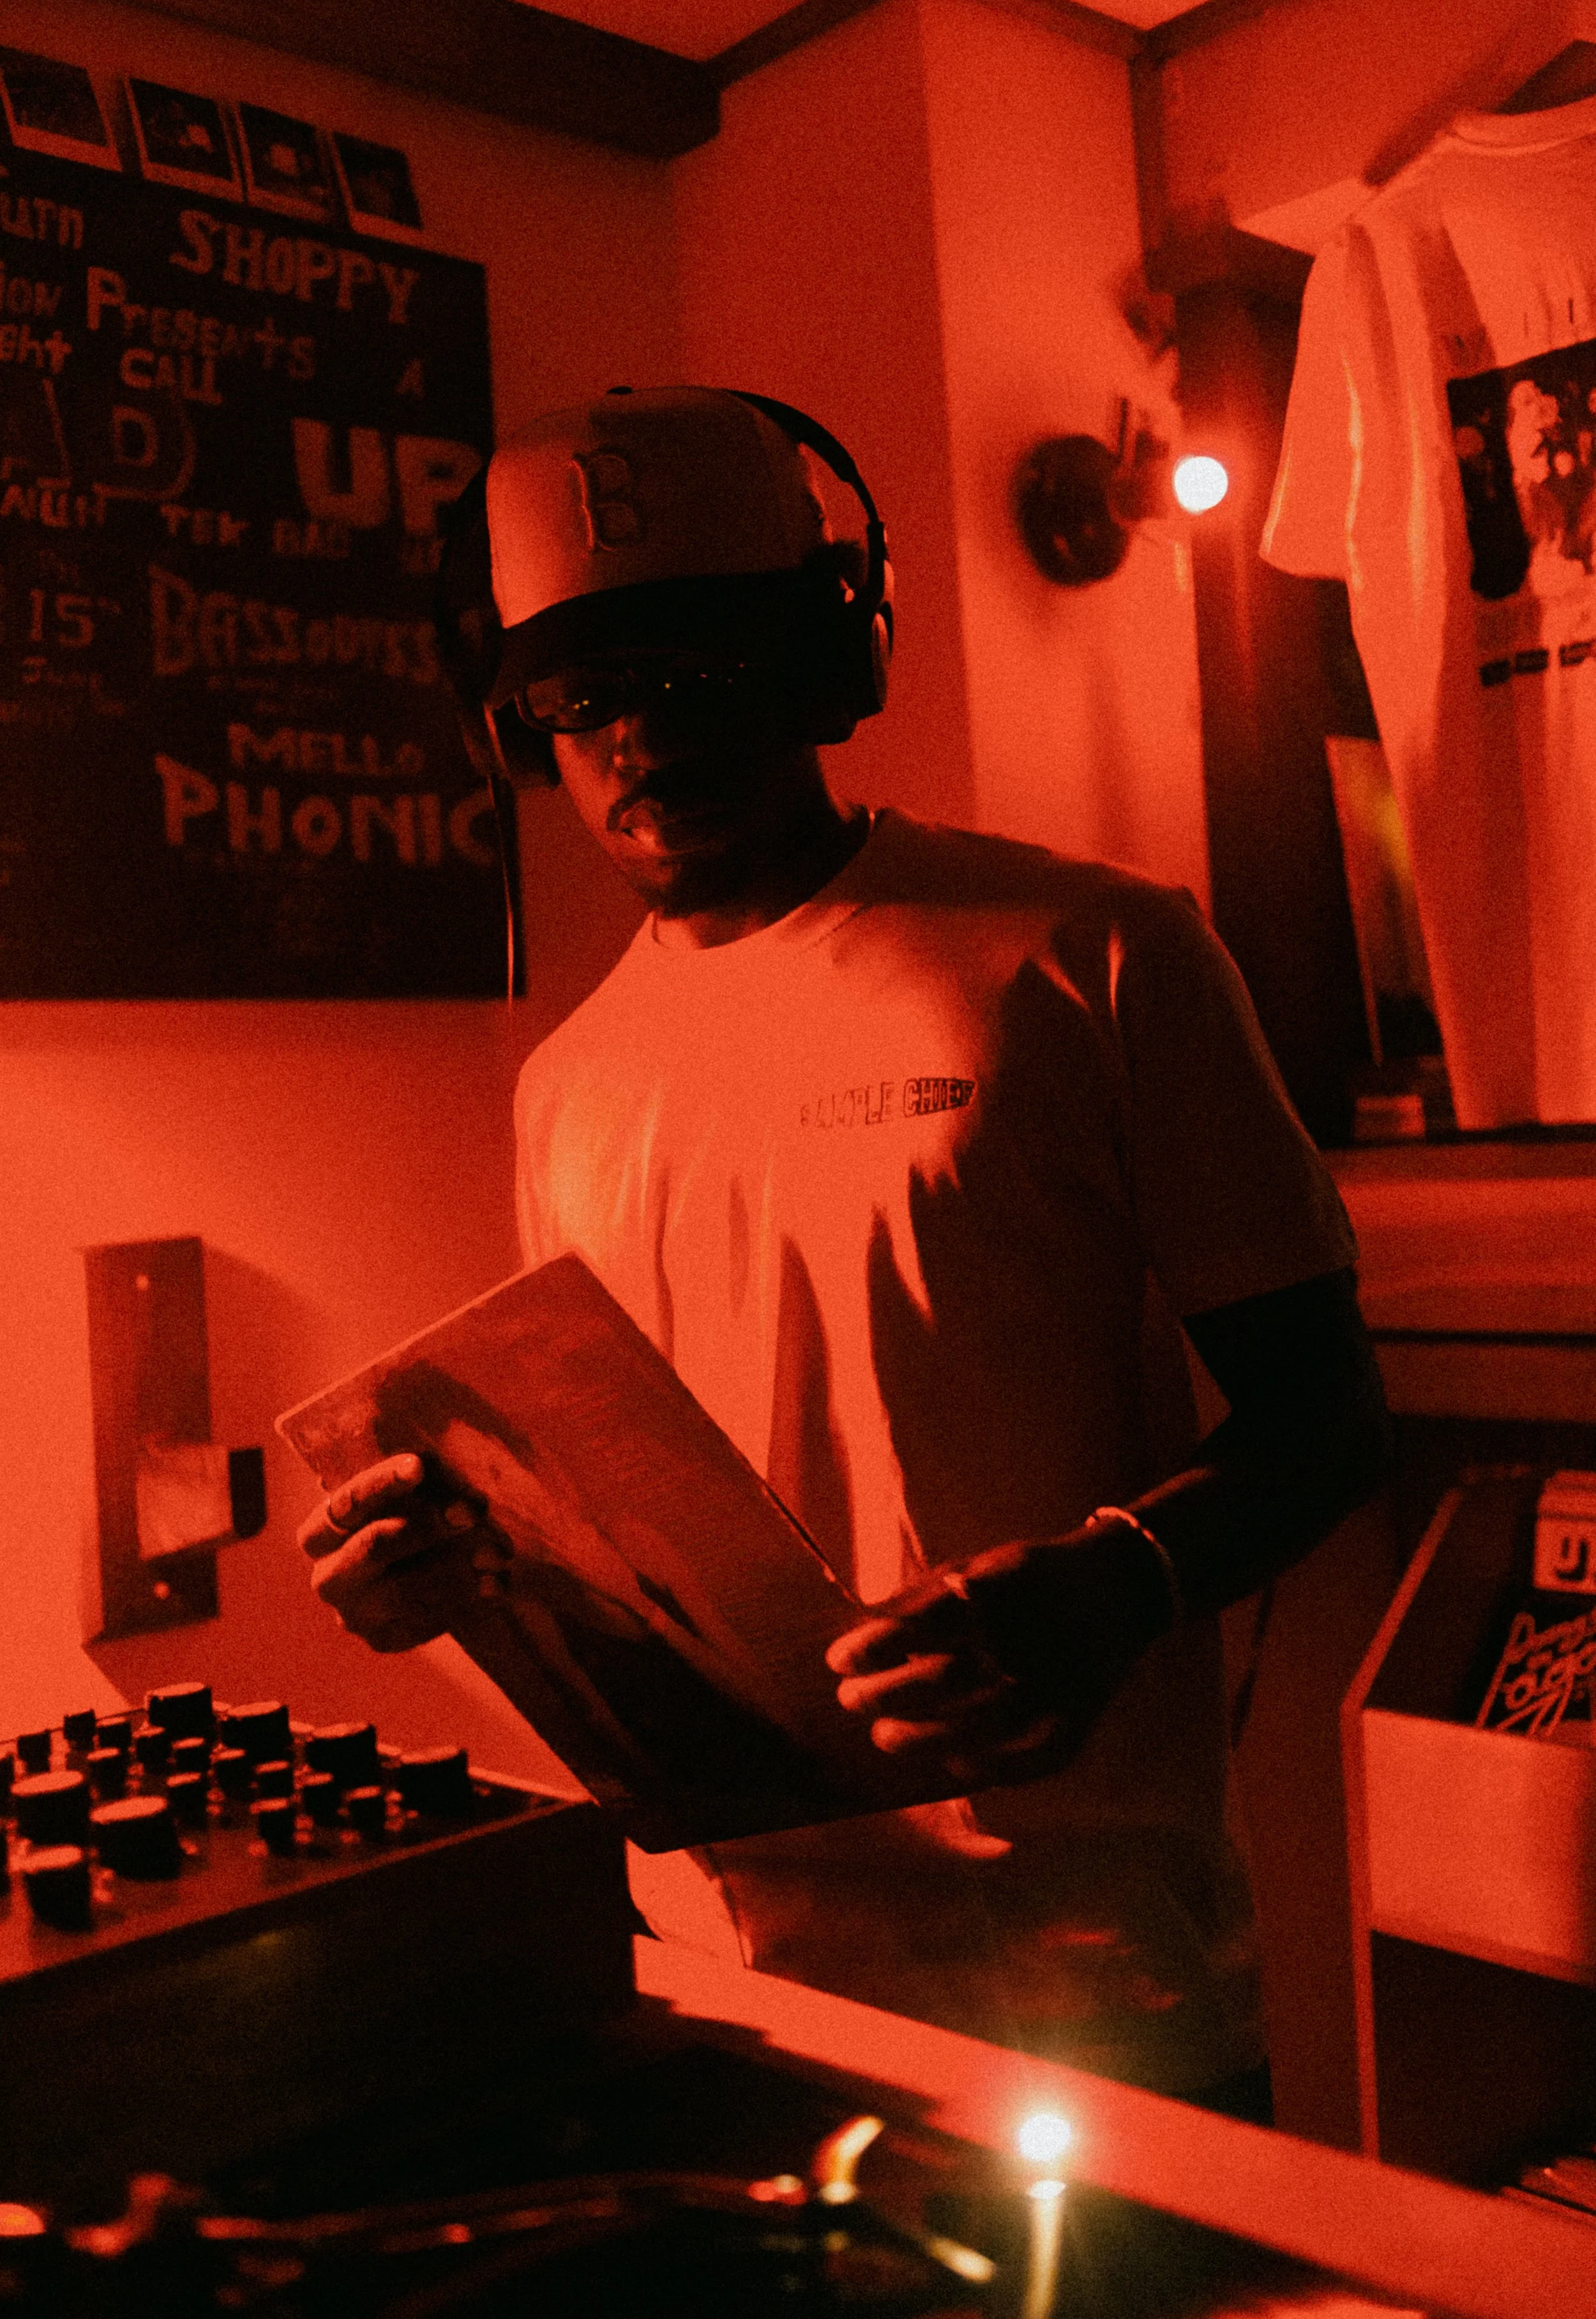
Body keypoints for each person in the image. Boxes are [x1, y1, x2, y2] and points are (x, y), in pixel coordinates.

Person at [299, 385, 1389, 2108]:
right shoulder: (566, 1083)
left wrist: (1117, 1578)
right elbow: (645, 1545)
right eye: (583, 701)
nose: (638, 736)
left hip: (1093, 1990)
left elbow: (1329, 1413)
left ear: (822, 665)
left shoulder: (1096, 954)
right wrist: (466, 1573)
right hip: (731, 1991)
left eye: (695, 674)